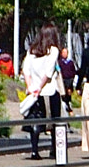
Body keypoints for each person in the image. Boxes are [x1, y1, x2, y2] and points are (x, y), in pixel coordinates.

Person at [20, 26, 64, 159]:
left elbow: (25, 70)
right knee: (54, 120)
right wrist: (39, 87)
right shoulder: (53, 50)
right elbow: (49, 72)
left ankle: (34, 150)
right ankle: (54, 149)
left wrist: (31, 87)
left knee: (36, 120)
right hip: (49, 90)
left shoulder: (31, 50)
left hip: (33, 92)